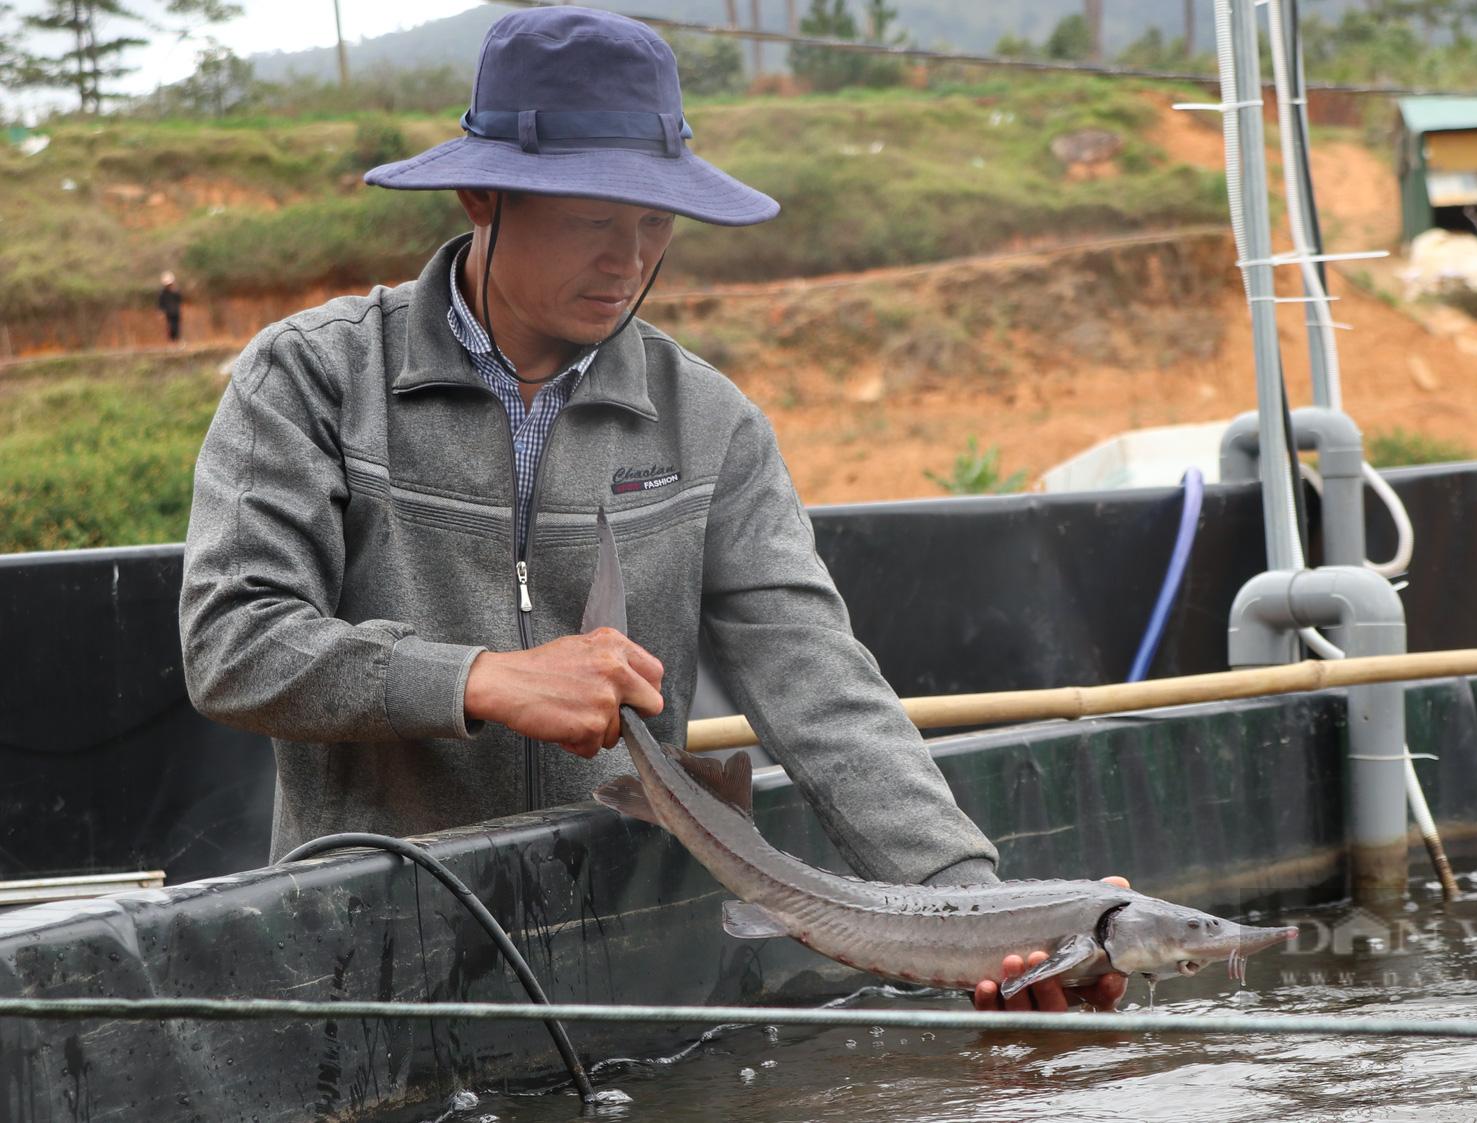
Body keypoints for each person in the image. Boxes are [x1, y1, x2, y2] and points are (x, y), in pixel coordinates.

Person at [177, 6, 1121, 1014]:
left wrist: (974, 911)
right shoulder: (315, 378)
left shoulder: (707, 423)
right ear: (480, 193)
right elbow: (236, 641)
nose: (628, 260)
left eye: (654, 224)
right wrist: (479, 678)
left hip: (627, 973)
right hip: (374, 970)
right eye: (594, 221)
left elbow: (818, 681)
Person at [157, 271, 182, 342]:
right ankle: (172, 341)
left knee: (177, 326)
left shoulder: (176, 291)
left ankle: (177, 340)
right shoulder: (162, 293)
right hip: (168, 312)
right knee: (170, 327)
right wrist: (160, 312)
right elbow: (160, 303)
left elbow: (180, 299)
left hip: (176, 312)